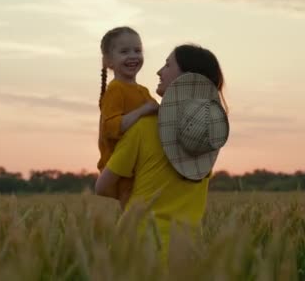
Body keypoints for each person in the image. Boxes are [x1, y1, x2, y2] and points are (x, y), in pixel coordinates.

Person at [95, 43, 230, 265]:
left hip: (137, 251)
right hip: (188, 256)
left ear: (186, 77)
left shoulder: (144, 128)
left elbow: (102, 187)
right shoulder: (207, 137)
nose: (159, 71)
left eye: (168, 65)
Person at [97, 26, 159, 205]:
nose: (133, 56)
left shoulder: (143, 91)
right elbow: (111, 129)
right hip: (120, 169)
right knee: (132, 215)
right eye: (124, 51)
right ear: (109, 62)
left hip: (139, 165)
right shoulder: (116, 89)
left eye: (137, 50)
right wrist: (143, 111)